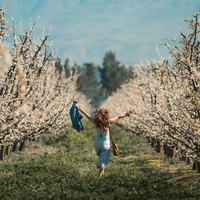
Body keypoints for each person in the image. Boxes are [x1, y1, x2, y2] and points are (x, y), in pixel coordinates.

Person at [73, 102, 135, 178]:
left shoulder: (95, 122)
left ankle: (102, 176)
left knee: (102, 159)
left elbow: (86, 114)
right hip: (105, 143)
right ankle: (99, 177)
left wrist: (77, 107)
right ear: (106, 115)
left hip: (97, 144)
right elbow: (119, 117)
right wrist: (128, 113)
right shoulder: (108, 122)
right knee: (103, 162)